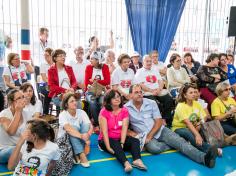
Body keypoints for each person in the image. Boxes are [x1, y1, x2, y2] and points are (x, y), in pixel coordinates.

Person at [125, 84, 218, 168]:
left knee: (181, 144)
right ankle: (175, 143)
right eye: (136, 92)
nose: (139, 94)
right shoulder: (126, 108)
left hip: (159, 130)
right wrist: (134, 134)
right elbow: (125, 127)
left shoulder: (151, 103)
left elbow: (158, 121)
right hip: (144, 135)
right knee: (154, 148)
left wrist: (150, 136)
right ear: (130, 95)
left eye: (141, 92)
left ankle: (204, 158)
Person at [98, 89, 147, 173]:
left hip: (119, 139)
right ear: (109, 101)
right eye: (114, 98)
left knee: (135, 141)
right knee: (115, 144)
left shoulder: (124, 110)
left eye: (118, 96)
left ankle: (137, 160)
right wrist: (108, 147)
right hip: (106, 140)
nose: (117, 99)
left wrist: (122, 143)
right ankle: (126, 163)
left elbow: (124, 128)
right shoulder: (104, 112)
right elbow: (104, 132)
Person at [172, 83, 222, 156]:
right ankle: (210, 150)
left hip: (194, 126)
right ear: (185, 95)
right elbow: (188, 123)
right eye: (191, 93)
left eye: (195, 92)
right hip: (180, 128)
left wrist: (199, 123)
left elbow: (204, 117)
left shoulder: (197, 104)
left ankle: (215, 143)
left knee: (204, 129)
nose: (194, 94)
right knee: (189, 133)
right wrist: (197, 135)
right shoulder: (181, 106)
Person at [135, 55, 175, 126]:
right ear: (143, 62)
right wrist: (151, 91)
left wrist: (159, 89)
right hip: (147, 92)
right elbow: (140, 84)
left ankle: (164, 119)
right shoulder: (139, 71)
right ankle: (156, 121)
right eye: (147, 61)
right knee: (154, 103)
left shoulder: (155, 69)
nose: (149, 63)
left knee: (169, 99)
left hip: (158, 91)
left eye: (150, 61)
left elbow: (160, 81)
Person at [57, 93, 93, 167]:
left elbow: (90, 126)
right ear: (66, 105)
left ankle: (77, 152)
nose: (75, 103)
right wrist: (82, 136)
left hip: (79, 137)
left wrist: (88, 135)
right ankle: (81, 154)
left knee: (86, 125)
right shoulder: (63, 114)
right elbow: (68, 129)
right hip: (65, 140)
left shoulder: (81, 112)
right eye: (72, 101)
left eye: (75, 100)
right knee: (73, 127)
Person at [0, 89, 31, 163]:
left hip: (22, 148)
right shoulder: (3, 114)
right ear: (11, 102)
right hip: (5, 150)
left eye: (23, 97)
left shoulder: (27, 114)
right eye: (19, 98)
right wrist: (18, 111)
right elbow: (11, 132)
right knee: (14, 150)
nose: (23, 99)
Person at [85, 51, 110, 132]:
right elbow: (86, 82)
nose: (90, 60)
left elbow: (107, 81)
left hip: (102, 91)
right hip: (90, 91)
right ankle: (98, 124)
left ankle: (105, 122)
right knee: (93, 103)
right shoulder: (88, 67)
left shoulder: (105, 67)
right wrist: (100, 81)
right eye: (90, 58)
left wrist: (94, 81)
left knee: (102, 102)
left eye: (92, 59)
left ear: (98, 60)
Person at [39, 47, 54, 115]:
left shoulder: (56, 64)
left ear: (52, 56)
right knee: (48, 92)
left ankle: (60, 113)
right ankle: (45, 113)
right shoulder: (43, 65)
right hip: (44, 84)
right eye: (44, 55)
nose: (45, 57)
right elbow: (44, 78)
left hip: (55, 84)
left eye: (47, 55)